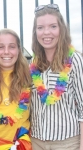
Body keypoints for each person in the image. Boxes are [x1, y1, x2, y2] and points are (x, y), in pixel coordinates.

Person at [30, 4, 83, 150]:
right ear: (35, 32)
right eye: (40, 27)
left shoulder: (75, 60)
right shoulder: (33, 65)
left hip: (67, 143)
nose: (46, 32)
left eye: (53, 26)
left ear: (61, 29)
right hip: (36, 141)